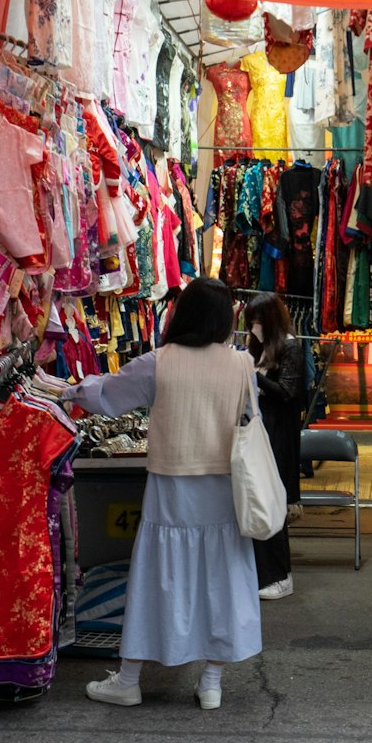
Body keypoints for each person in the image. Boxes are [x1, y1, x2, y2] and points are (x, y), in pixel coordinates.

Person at [65, 277, 261, 710]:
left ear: (182, 314)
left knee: (158, 577)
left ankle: (130, 678)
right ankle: (211, 681)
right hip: (225, 488)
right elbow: (250, 422)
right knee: (220, 579)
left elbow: (107, 397)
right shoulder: (242, 364)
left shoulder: (159, 362)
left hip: (172, 487)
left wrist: (64, 389)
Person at [245, 292, 305, 601]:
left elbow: (287, 392)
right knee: (259, 502)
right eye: (250, 321)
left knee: (273, 504)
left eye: (257, 321)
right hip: (258, 434)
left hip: (279, 436)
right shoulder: (258, 349)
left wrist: (253, 376)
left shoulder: (291, 347)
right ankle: (264, 574)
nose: (254, 327)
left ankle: (280, 575)